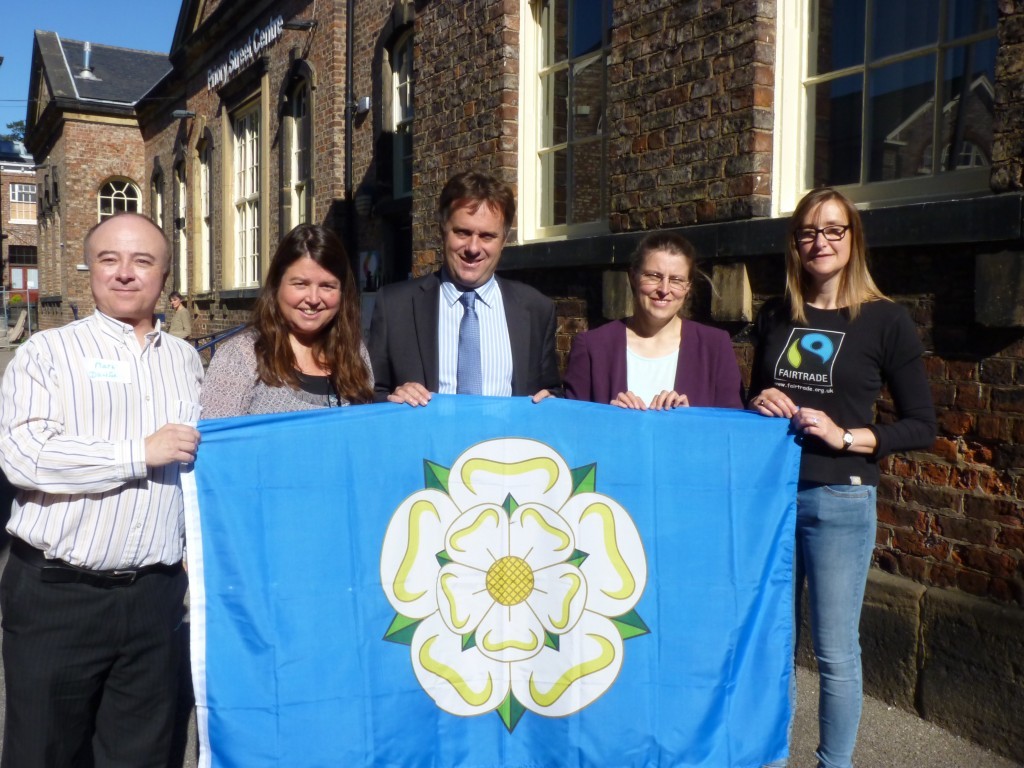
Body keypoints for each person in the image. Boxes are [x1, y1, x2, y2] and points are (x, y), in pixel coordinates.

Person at [0, 212, 203, 768]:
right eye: (110, 259)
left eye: (143, 260)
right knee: (43, 752)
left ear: (165, 274)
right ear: (90, 268)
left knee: (145, 755)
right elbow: (24, 457)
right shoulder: (47, 354)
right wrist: (138, 453)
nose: (124, 274)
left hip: (156, 601)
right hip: (58, 596)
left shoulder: (187, 363)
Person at [748, 188, 936, 768]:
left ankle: (835, 763)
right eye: (808, 231)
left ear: (853, 240)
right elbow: (748, 397)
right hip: (773, 497)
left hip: (840, 499)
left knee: (834, 651)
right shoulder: (777, 315)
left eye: (833, 230)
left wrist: (847, 436)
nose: (820, 242)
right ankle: (770, 757)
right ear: (795, 243)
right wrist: (760, 398)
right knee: (774, 645)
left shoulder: (885, 320)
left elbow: (921, 424)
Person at [368, 170, 560, 405]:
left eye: (487, 236)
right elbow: (368, 395)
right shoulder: (395, 306)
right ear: (442, 230)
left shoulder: (536, 309)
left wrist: (550, 401)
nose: (473, 247)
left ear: (504, 240)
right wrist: (392, 399)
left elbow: (551, 391)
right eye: (463, 232)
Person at [201, 223, 373, 418]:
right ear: (277, 285)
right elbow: (214, 441)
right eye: (300, 284)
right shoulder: (240, 357)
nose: (314, 299)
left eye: (327, 286)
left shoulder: (354, 351)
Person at [563, 232, 744, 409]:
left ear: (688, 287)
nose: (664, 289)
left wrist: (692, 420)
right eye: (654, 276)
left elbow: (731, 427)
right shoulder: (592, 346)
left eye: (676, 280)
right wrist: (611, 418)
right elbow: (571, 424)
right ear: (633, 277)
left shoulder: (714, 346)